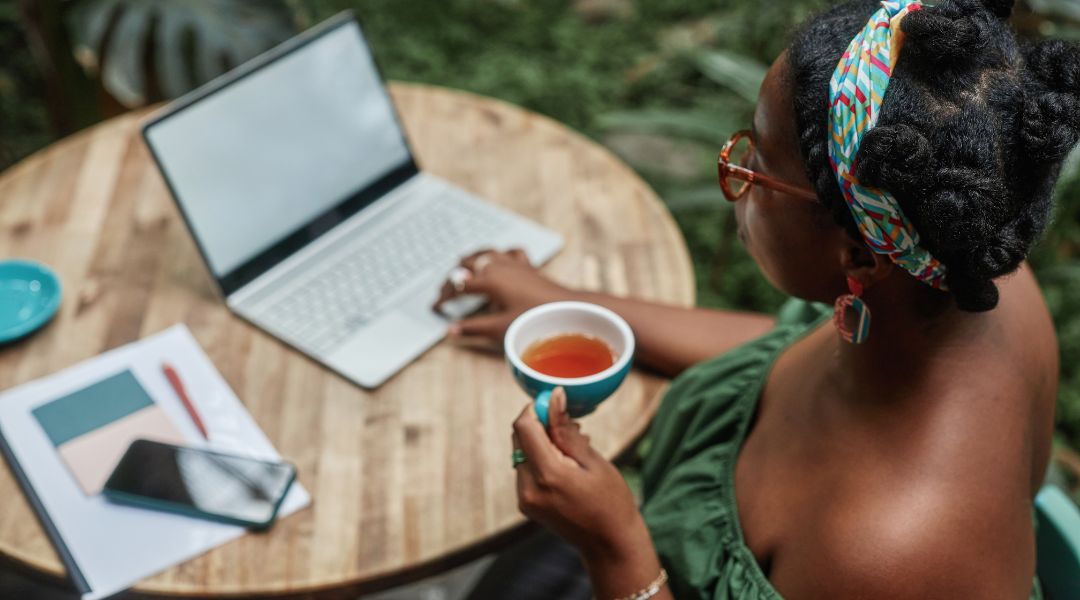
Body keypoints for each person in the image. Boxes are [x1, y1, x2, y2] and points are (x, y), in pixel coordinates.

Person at [438, 0, 1078, 597]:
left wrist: (616, 549)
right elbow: (781, 354)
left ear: (858, 256)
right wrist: (563, 303)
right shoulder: (955, 280)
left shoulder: (888, 555)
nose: (734, 172)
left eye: (757, 164)